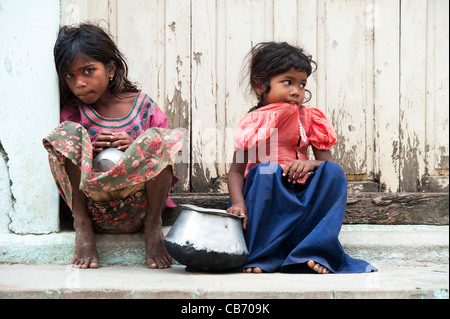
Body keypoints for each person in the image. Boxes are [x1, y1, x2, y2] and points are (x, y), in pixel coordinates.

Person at [227, 42, 377, 274]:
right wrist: (238, 203)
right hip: (265, 204)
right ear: (259, 85)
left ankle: (312, 252)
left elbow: (328, 166)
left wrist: (310, 164)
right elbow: (237, 171)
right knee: (267, 170)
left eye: (302, 84)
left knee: (334, 172)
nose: (297, 91)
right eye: (287, 82)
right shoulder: (253, 121)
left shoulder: (311, 118)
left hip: (300, 200)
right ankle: (263, 255)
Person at [42, 23, 184, 269]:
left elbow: (168, 153)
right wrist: (89, 150)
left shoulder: (144, 106)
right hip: (93, 208)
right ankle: (82, 227)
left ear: (111, 69)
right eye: (70, 75)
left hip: (140, 207)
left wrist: (137, 147)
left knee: (160, 138)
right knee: (68, 135)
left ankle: (154, 227)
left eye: (88, 71)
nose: (80, 83)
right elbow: (66, 155)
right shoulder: (73, 112)